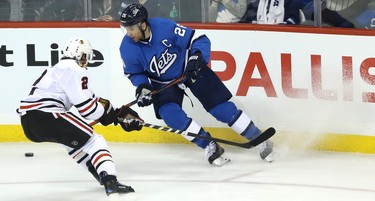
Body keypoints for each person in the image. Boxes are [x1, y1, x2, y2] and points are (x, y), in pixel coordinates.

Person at [118, 3, 276, 167]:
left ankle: (259, 139)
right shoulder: (127, 47)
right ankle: (210, 146)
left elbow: (198, 38)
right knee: (170, 115)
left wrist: (196, 57)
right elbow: (134, 73)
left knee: (222, 109)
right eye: (126, 29)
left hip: (189, 69)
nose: (128, 33)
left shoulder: (163, 26)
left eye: (131, 29)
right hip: (163, 83)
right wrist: (143, 86)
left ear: (142, 25)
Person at [17, 37, 143, 197]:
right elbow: (88, 110)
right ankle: (111, 182)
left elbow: (92, 100)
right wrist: (108, 116)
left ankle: (102, 176)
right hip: (47, 115)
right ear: (77, 54)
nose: (86, 60)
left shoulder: (60, 68)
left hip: (29, 121)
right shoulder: (74, 69)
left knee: (76, 147)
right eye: (85, 55)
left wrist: (116, 113)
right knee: (94, 141)